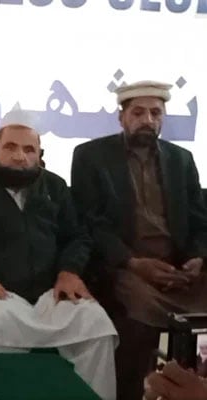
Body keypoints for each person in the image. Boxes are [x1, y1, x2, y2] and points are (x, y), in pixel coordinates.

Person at [0, 109, 118, 400]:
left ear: (39, 153)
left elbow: (78, 236)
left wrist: (70, 271)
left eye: (28, 149)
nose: (19, 157)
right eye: (10, 147)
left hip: (50, 291)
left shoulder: (55, 187)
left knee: (94, 323)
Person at [71, 81, 207, 400]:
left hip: (179, 270)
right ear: (122, 117)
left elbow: (200, 220)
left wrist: (198, 258)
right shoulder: (91, 156)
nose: (147, 120)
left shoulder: (182, 159)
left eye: (155, 113)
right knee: (138, 320)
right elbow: (90, 223)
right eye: (139, 112)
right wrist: (134, 263)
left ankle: (189, 386)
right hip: (126, 268)